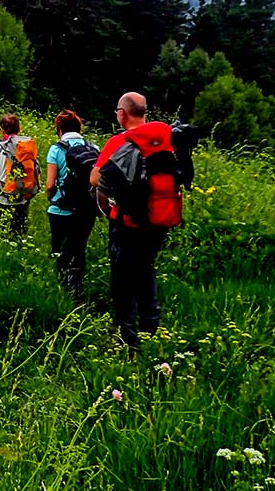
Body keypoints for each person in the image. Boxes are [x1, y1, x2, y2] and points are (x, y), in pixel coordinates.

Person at [90, 91, 171, 354]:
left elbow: (95, 179)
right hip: (158, 219)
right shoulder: (163, 139)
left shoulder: (121, 141)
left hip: (126, 222)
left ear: (122, 113)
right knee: (146, 270)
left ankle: (129, 340)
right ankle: (151, 329)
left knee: (123, 279)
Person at [45, 109, 96, 299]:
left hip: (61, 208)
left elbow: (50, 184)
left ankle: (62, 291)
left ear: (59, 128)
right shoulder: (94, 147)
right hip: (86, 210)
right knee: (79, 248)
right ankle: (78, 288)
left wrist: (51, 197)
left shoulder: (57, 149)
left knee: (59, 250)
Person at [0, 114, 39, 236]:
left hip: (1, 198)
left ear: (2, 130)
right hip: (22, 198)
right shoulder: (27, 147)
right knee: (18, 235)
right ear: (19, 129)